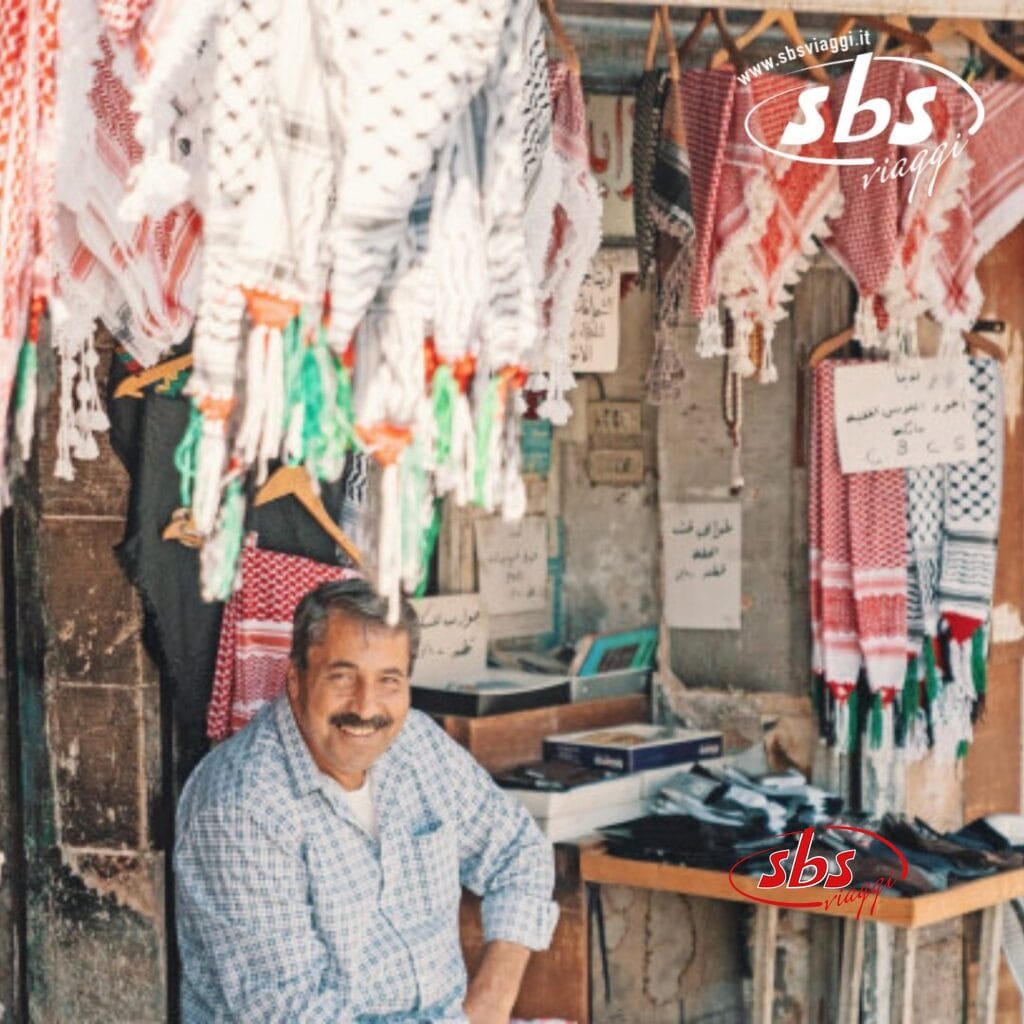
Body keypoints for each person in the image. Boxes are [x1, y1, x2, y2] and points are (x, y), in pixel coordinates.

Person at [175, 579, 558, 1022]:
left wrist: (490, 1002)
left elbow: (519, 851)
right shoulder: (240, 807)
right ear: (296, 681)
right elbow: (294, 1014)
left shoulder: (416, 744)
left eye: (388, 681)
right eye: (342, 677)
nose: (365, 706)